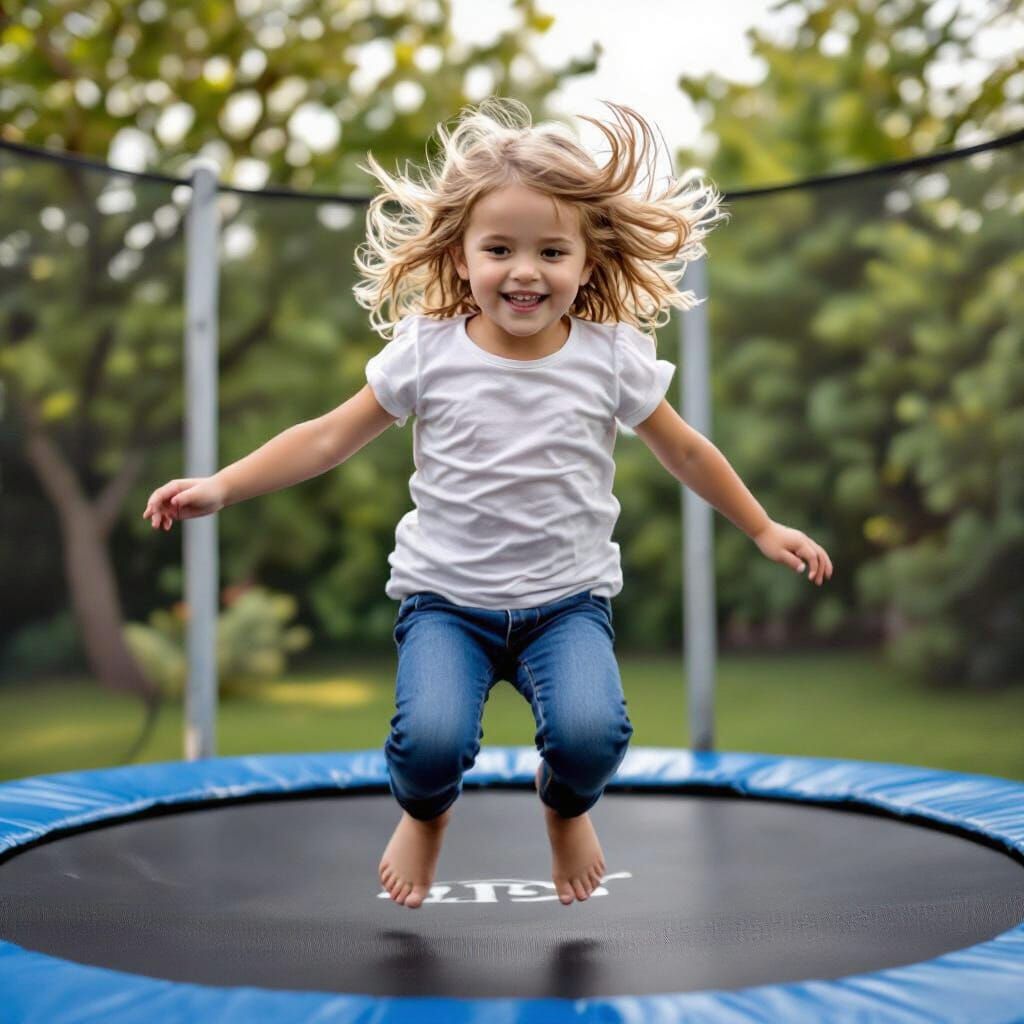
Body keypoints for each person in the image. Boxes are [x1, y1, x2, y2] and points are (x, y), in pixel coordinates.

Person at [143, 98, 833, 911]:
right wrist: (223, 483)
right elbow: (329, 437)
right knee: (431, 744)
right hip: (447, 604)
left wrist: (760, 525)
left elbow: (683, 447)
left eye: (551, 250)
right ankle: (426, 815)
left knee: (592, 737)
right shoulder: (427, 350)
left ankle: (565, 806)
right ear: (461, 255)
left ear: (587, 260)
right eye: (499, 248)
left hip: (566, 605)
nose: (525, 271)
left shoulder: (610, 356)